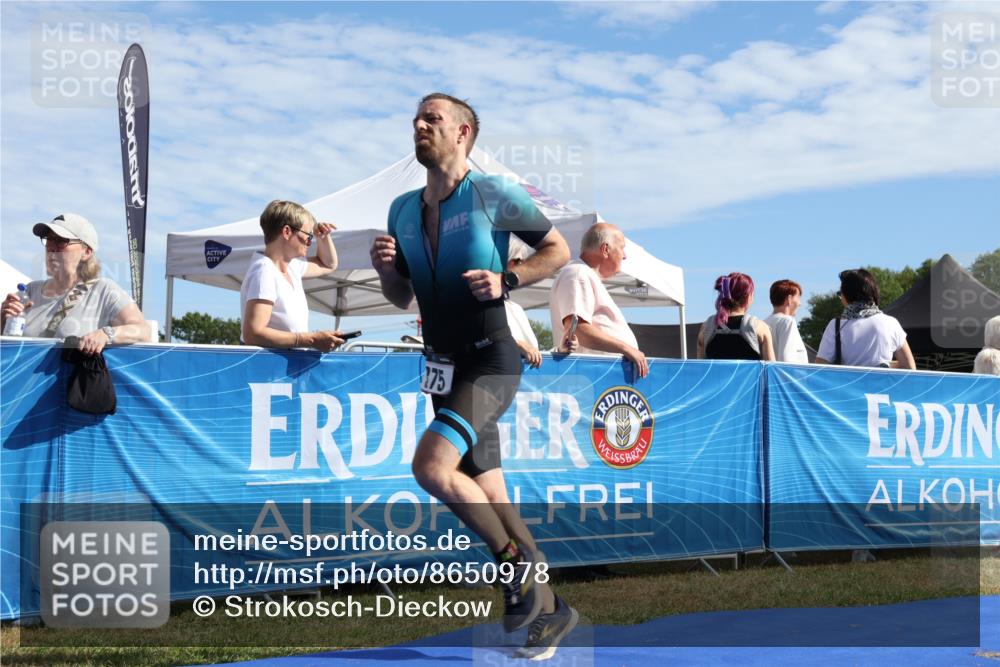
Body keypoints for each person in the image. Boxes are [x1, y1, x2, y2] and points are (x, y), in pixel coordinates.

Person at [370, 93, 576, 659]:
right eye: (415, 118)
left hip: (490, 359)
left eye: (431, 119)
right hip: (443, 365)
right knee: (493, 498)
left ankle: (512, 570)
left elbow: (557, 249)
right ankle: (552, 609)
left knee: (432, 468)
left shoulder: (492, 192)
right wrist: (387, 270)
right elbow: (400, 294)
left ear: (463, 133)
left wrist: (508, 278)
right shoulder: (401, 210)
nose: (418, 125)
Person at [1, 214, 149, 354]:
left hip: (70, 381)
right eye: (49, 239)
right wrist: (2, 319)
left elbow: (143, 331)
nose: (52, 246)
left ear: (87, 252)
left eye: (61, 240)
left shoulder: (104, 290)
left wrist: (106, 334)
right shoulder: (30, 290)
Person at [240, 200, 345, 351]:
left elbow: (328, 264)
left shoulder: (291, 266)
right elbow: (253, 334)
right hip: (269, 370)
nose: (309, 242)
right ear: (287, 232)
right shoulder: (264, 271)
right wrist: (312, 339)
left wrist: (323, 237)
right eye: (309, 236)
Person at [549, 222, 649, 379]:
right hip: (592, 379)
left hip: (598, 378)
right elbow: (577, 330)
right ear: (605, 249)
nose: (624, 256)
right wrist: (626, 348)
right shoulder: (577, 273)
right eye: (621, 248)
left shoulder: (582, 274)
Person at [814, 269, 916, 369]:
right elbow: (909, 367)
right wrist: (885, 365)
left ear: (847, 295)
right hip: (881, 385)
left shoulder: (836, 325)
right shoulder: (891, 323)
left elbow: (819, 368)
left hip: (849, 385)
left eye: (840, 294)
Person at [697, 272, 775, 361]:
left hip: (717, 375)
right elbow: (770, 369)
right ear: (748, 296)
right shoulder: (760, 327)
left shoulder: (707, 326)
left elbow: (700, 369)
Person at [505, 245, 542, 368]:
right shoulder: (481, 301)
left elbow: (534, 353)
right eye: (518, 261)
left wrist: (560, 350)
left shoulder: (516, 308)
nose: (523, 267)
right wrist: (516, 344)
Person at [764, 279, 809, 364]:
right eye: (798, 297)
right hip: (787, 376)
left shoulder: (763, 323)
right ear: (789, 299)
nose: (800, 303)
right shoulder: (787, 322)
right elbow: (787, 360)